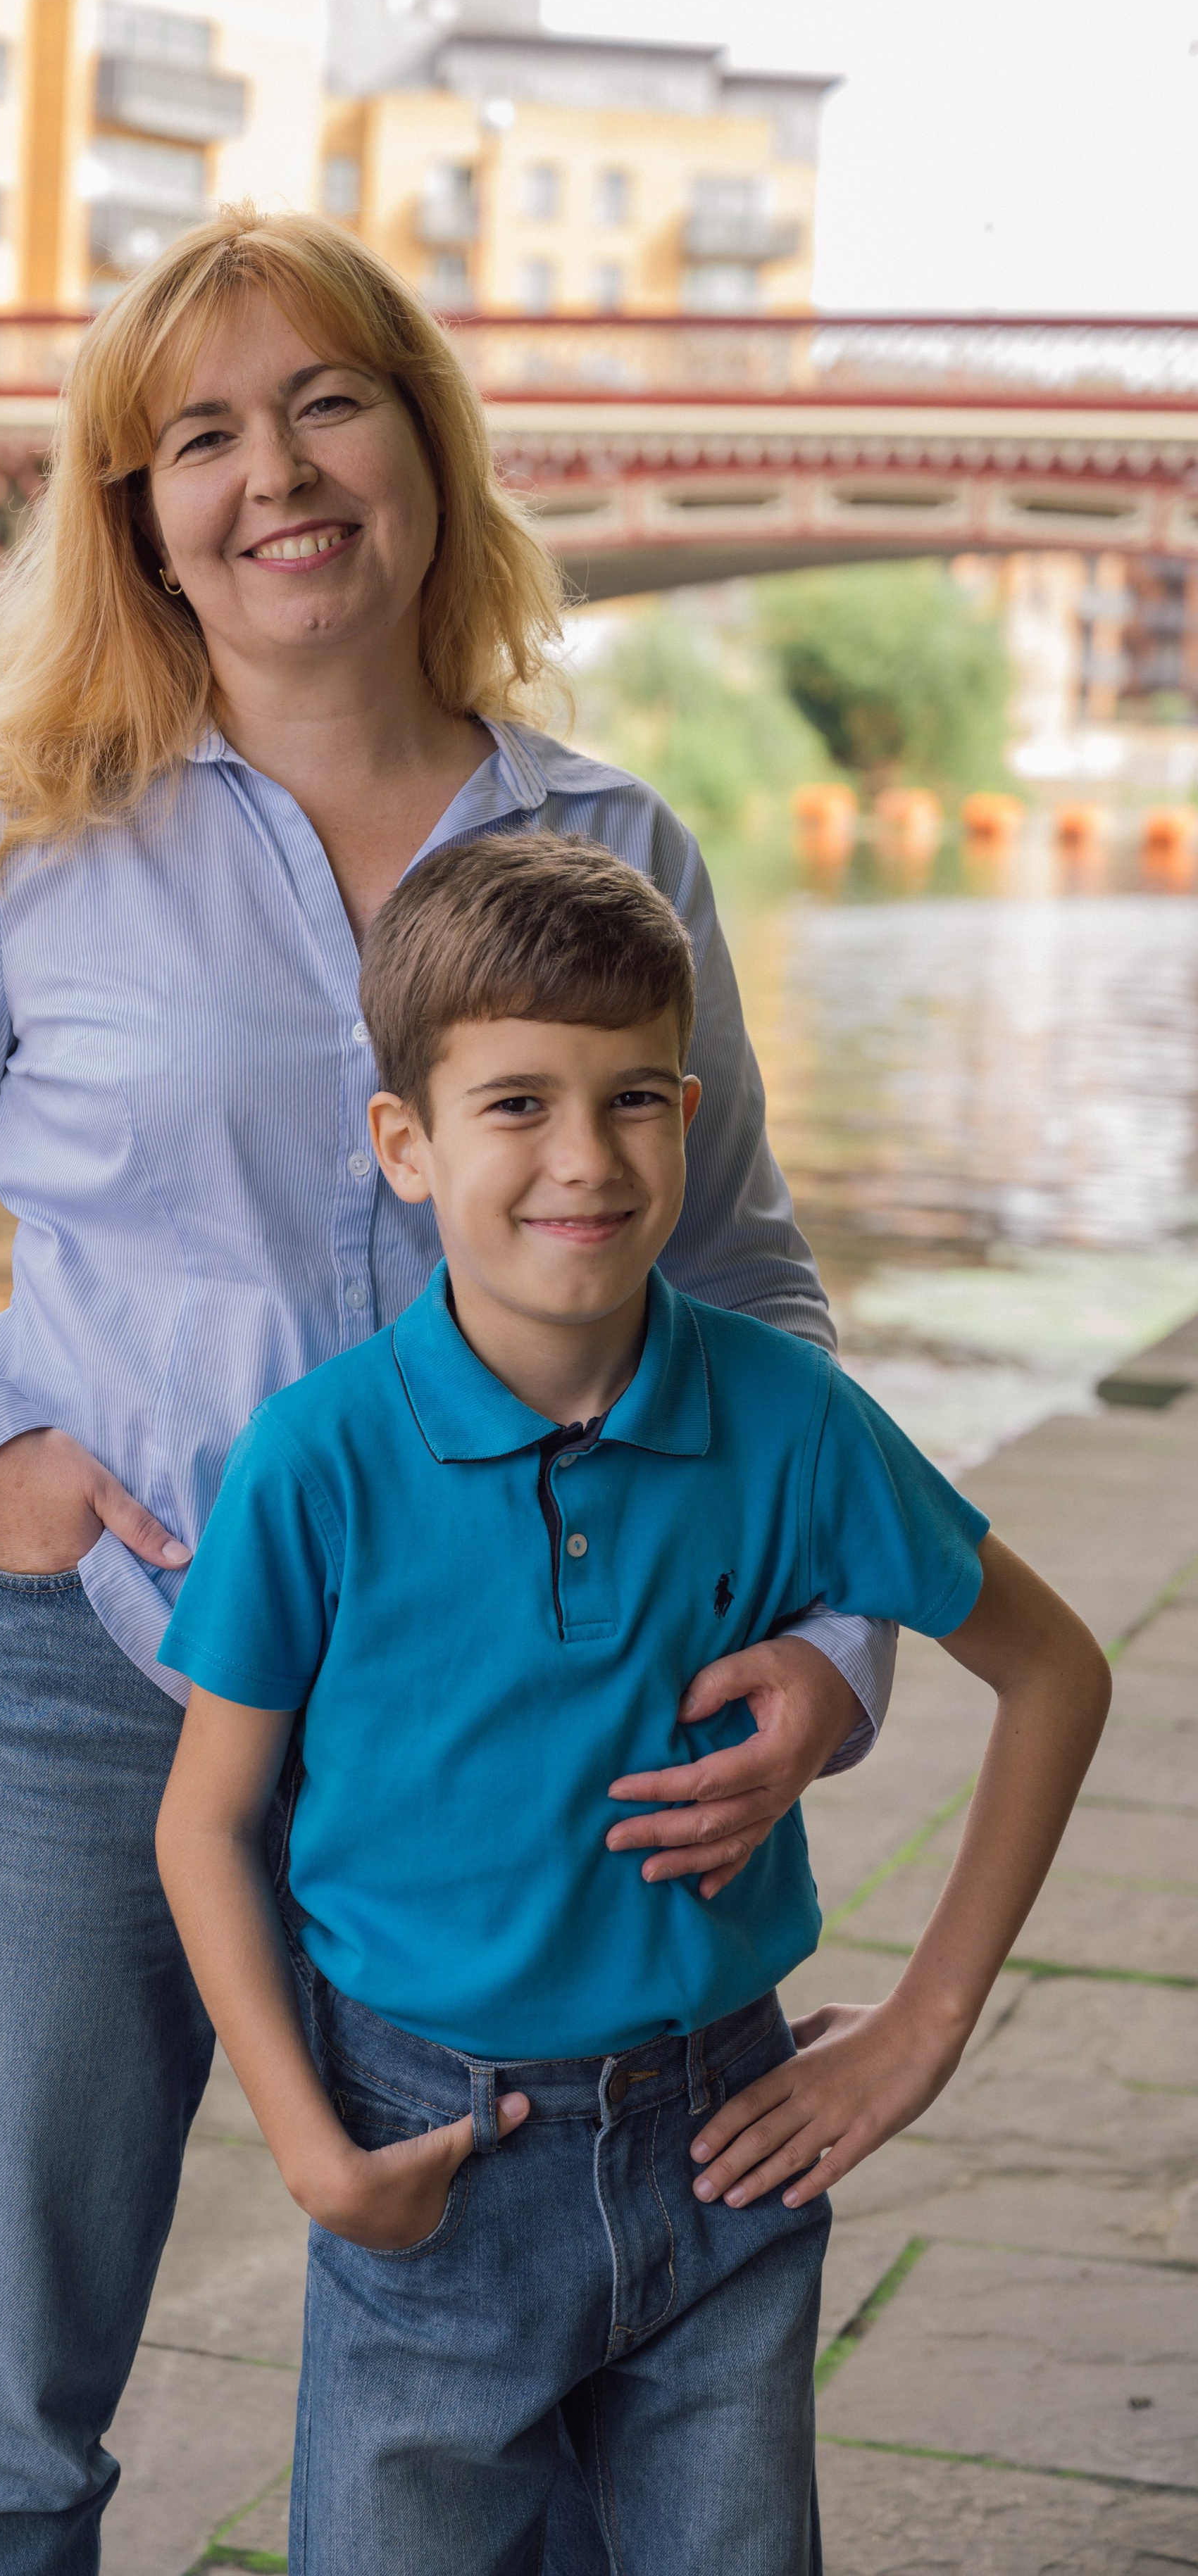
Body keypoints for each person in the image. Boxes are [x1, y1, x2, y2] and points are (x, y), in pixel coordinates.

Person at [0, 207, 899, 2574]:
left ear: (425, 448)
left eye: (330, 402)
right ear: (140, 513)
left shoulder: (610, 847)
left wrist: (836, 1648)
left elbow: (748, 1282)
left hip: (496, 1720)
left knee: (533, 2390)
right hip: (81, 1693)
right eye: (203, 437)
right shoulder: (25, 839)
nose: (277, 474)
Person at [154, 831, 1111, 2576]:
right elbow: (205, 1820)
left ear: (688, 1110)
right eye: (514, 1104)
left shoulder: (791, 1419)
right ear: (404, 1143)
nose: (583, 1159)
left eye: (631, 1101)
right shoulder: (316, 1460)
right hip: (427, 2168)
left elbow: (1052, 1670)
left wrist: (925, 2023)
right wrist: (309, 2148)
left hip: (725, 2151)